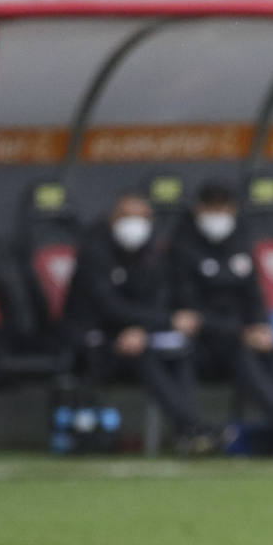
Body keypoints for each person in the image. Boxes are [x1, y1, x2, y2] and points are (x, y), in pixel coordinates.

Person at [63, 191, 217, 453]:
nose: (134, 224)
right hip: (94, 342)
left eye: (142, 217)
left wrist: (143, 330)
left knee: (181, 349)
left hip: (141, 337)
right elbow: (108, 307)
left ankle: (188, 430)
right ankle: (193, 428)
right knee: (142, 353)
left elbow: (158, 299)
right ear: (112, 218)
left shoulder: (153, 254)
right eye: (127, 216)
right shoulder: (93, 252)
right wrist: (159, 323)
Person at [170, 180, 273, 435]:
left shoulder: (240, 241)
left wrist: (260, 325)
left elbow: (253, 293)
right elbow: (187, 311)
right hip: (205, 340)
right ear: (199, 209)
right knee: (242, 351)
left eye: (225, 210)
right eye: (213, 210)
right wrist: (240, 332)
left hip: (243, 332)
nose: (220, 217)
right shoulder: (181, 247)